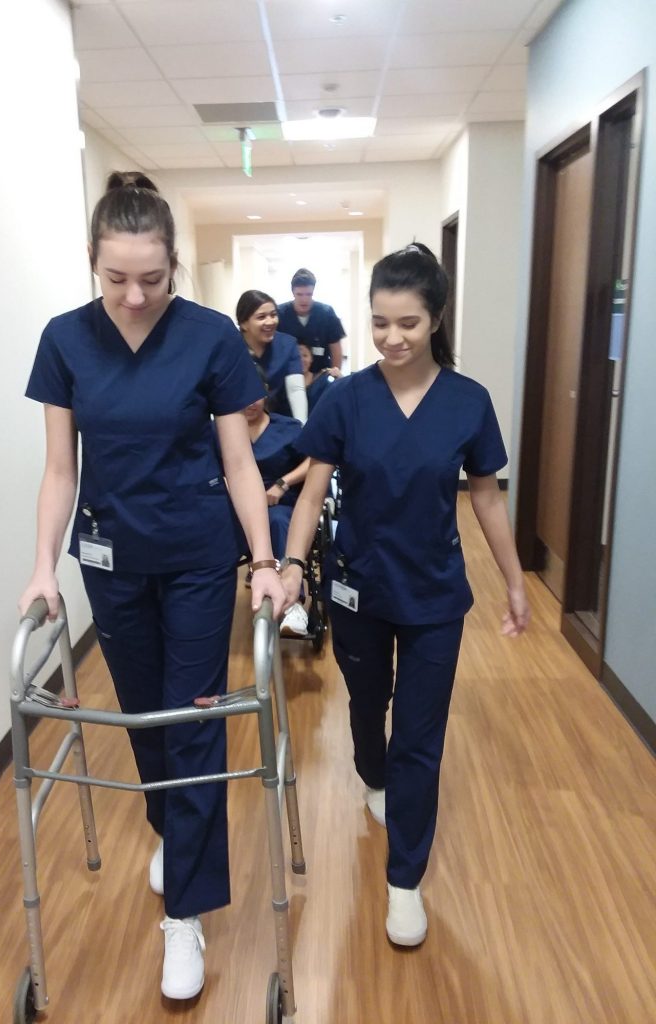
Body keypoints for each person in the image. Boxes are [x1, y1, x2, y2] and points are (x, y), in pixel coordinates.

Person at [18, 172, 286, 1002]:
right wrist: (42, 566)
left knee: (193, 720)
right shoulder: (65, 340)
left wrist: (266, 559)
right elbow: (61, 469)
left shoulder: (208, 338)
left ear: (177, 267)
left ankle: (186, 917)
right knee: (142, 719)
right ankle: (171, 823)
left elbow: (241, 461)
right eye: (116, 279)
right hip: (111, 562)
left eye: (152, 279)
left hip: (201, 558)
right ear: (93, 265)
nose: (134, 297)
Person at [279, 243, 529, 948]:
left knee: (421, 739)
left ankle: (404, 882)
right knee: (367, 705)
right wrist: (294, 562)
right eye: (381, 323)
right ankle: (370, 774)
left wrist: (513, 581)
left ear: (436, 319)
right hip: (359, 586)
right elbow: (313, 486)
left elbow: (486, 499)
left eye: (409, 323)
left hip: (435, 597)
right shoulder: (345, 398)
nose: (393, 338)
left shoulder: (467, 403)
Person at [243, 397, 310, 637]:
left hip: (278, 503)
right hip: (237, 507)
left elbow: (314, 459)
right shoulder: (224, 428)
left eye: (255, 396)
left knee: (279, 522)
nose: (249, 403)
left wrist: (283, 483)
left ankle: (293, 605)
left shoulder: (288, 428)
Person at [236, 289, 307, 422]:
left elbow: (296, 390)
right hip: (241, 422)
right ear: (244, 324)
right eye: (261, 317)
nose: (270, 322)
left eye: (273, 315)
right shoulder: (231, 347)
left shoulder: (287, 345)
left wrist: (302, 426)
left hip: (279, 420)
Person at [277, 267, 346, 374]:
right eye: (299, 294)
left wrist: (335, 378)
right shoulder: (280, 314)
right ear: (293, 292)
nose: (304, 300)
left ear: (313, 291)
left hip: (320, 373)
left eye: (308, 294)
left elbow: (336, 349)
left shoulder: (326, 313)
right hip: (288, 375)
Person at [297, 341, 342, 412]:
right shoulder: (285, 383)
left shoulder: (322, 380)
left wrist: (340, 378)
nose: (301, 360)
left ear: (311, 358)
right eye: (297, 356)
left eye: (305, 355)